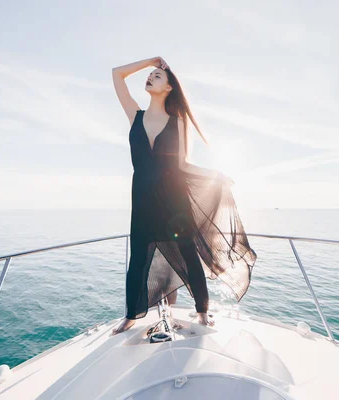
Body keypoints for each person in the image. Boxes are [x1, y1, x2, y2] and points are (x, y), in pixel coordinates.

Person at [111, 56, 257, 335]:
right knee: (138, 257)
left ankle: (202, 310)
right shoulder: (135, 116)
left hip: (173, 197)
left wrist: (215, 176)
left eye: (158, 76)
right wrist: (151, 61)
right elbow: (117, 75)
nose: (151, 77)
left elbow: (182, 165)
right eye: (150, 75)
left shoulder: (177, 122)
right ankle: (131, 315)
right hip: (142, 198)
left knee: (188, 253)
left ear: (169, 88)